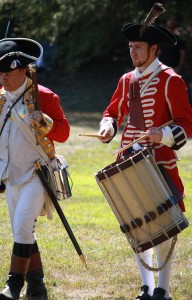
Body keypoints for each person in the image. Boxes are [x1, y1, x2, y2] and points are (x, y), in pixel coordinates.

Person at [97, 5, 192, 300]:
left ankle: (162, 289)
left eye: (138, 47)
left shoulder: (170, 80)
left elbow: (186, 124)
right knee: (135, 225)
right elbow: (112, 112)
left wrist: (163, 134)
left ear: (154, 49)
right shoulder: (127, 80)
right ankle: (145, 287)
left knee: (163, 226)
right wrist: (108, 127)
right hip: (129, 160)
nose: (133, 52)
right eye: (130, 47)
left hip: (160, 162)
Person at [0, 38, 70, 300]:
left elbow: (64, 132)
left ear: (23, 70)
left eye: (9, 74)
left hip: (38, 171)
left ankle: (13, 286)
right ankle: (37, 285)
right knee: (22, 231)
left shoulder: (44, 96)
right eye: (0, 74)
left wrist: (45, 121)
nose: (4, 79)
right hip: (10, 174)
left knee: (24, 225)